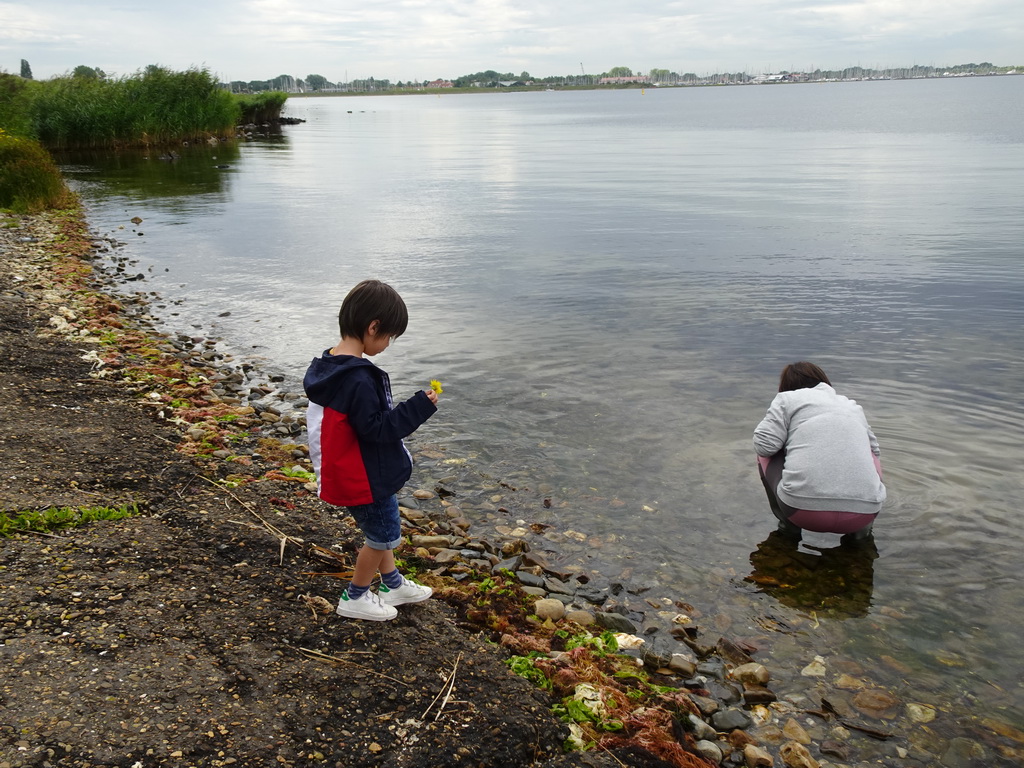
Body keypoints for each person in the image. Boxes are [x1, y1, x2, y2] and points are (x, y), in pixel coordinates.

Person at [304, 279, 439, 621]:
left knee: (381, 529)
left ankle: (392, 584)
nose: (387, 344)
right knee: (382, 536)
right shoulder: (359, 379)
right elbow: (379, 429)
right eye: (388, 336)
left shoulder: (328, 366)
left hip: (350, 470)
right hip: (364, 475)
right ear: (373, 327)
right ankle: (356, 596)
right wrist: (419, 406)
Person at [753, 362, 885, 540]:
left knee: (765, 451)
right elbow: (875, 452)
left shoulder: (786, 399)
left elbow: (764, 446)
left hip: (802, 512)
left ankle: (788, 528)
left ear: (785, 386)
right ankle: (860, 538)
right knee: (869, 452)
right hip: (864, 514)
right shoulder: (852, 406)